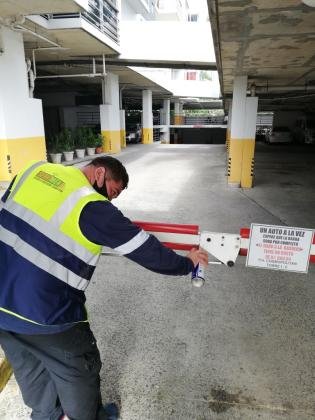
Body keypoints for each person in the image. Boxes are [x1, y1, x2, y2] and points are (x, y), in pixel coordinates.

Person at [0, 156, 208, 420]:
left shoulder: (35, 169)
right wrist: (187, 263)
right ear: (99, 174)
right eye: (113, 192)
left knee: (30, 367)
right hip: (47, 315)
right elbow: (145, 249)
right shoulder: (91, 205)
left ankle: (46, 416)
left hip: (2, 308)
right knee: (79, 370)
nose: (111, 200)